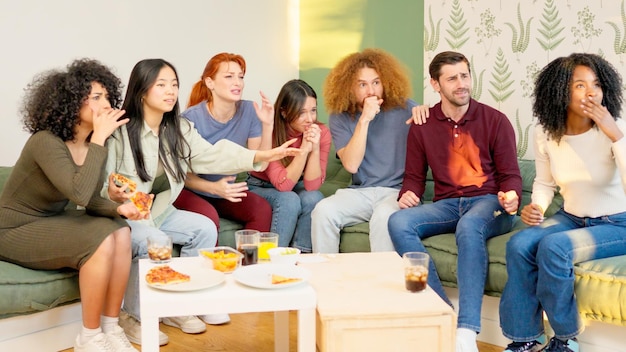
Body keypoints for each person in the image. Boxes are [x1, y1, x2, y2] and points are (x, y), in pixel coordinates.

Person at [102, 58, 300, 346]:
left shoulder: (178, 129)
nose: (170, 91)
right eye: (161, 85)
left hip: (159, 211)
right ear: (143, 91)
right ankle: (134, 315)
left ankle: (180, 304)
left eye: (174, 85)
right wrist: (113, 196)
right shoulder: (121, 132)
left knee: (203, 228)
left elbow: (214, 155)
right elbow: (105, 184)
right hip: (125, 217)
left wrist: (260, 157)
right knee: (153, 239)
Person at [0, 59, 143, 352]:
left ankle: (110, 327)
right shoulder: (45, 141)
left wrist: (119, 208)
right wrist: (101, 139)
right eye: (96, 97)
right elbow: (78, 193)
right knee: (99, 238)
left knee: (121, 231)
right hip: (13, 229)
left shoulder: (90, 144)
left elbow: (88, 197)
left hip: (48, 221)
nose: (106, 105)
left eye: (107, 97)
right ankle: (88, 339)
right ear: (70, 102)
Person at [387, 51, 522, 352]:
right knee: (398, 221)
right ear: (436, 84)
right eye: (452, 78)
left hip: (489, 203)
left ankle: (466, 329)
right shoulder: (422, 125)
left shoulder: (495, 120)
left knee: (470, 225)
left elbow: (511, 175)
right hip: (448, 204)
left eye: (465, 75)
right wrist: (407, 194)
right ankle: (441, 310)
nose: (461, 84)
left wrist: (511, 196)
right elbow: (414, 178)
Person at [499, 53, 626, 352]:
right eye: (580, 85)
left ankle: (566, 338)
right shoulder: (545, 132)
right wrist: (538, 208)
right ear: (560, 90)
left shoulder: (615, 128)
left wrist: (614, 134)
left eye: (596, 84)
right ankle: (525, 338)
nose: (591, 92)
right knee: (518, 244)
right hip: (572, 216)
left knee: (554, 247)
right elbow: (544, 183)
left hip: (618, 222)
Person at [310, 48, 428, 253]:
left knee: (383, 217)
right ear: (349, 88)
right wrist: (364, 120)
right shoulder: (340, 116)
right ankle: (326, 279)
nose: (371, 91)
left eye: (376, 82)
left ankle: (379, 282)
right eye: (362, 85)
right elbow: (351, 164)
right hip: (360, 193)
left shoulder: (406, 108)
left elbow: (434, 137)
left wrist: (426, 112)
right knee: (323, 211)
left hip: (397, 192)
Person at [173, 52, 272, 236]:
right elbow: (182, 175)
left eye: (240, 77)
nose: (238, 82)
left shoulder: (250, 110)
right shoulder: (189, 119)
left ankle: (250, 264)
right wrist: (214, 188)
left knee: (261, 209)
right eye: (229, 76)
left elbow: (260, 164)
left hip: (225, 192)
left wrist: (267, 124)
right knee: (209, 219)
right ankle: (216, 265)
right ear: (210, 82)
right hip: (193, 190)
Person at [248, 79, 331, 252]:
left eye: (313, 111)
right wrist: (303, 149)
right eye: (302, 113)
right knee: (289, 200)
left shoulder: (320, 132)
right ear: (285, 113)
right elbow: (283, 185)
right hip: (260, 186)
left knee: (314, 198)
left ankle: (301, 255)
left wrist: (313, 149)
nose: (310, 119)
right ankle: (273, 259)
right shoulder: (271, 133)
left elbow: (311, 186)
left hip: (296, 185)